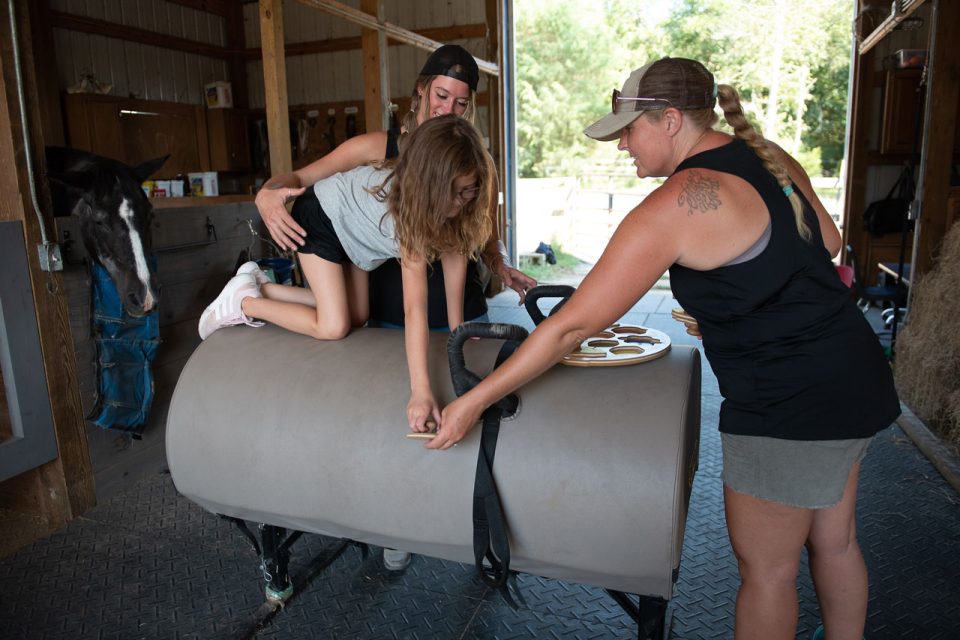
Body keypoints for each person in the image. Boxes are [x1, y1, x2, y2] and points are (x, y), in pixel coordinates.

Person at [431, 57, 900, 640]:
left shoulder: (678, 202)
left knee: (770, 573)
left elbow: (571, 328)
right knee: (837, 542)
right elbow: (823, 243)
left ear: (671, 120)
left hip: (787, 400)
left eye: (629, 130)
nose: (622, 144)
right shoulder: (767, 155)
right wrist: (737, 301)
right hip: (853, 371)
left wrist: (474, 402)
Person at [199, 114, 494, 430]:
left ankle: (263, 286)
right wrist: (420, 391)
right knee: (334, 325)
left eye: (469, 191)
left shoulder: (456, 209)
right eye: (455, 192)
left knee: (357, 315)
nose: (461, 203)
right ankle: (244, 302)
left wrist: (458, 329)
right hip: (321, 218)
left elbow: (454, 260)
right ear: (432, 185)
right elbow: (414, 307)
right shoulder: (411, 215)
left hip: (356, 233)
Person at [254, 44, 536, 324]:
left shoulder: (477, 163)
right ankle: (251, 297)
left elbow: (489, 235)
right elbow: (300, 178)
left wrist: (502, 264)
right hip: (391, 318)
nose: (449, 109)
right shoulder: (375, 147)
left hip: (463, 312)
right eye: (441, 95)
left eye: (461, 102)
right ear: (421, 88)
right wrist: (268, 193)